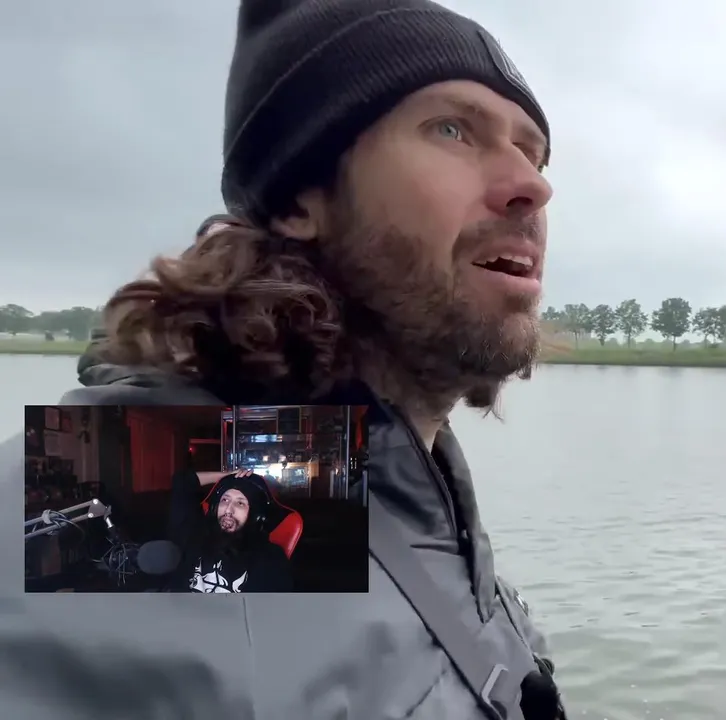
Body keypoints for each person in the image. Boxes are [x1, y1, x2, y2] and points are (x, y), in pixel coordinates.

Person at [0, 1, 565, 718]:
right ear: (302, 197)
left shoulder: (394, 488)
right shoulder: (132, 492)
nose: (533, 185)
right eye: (452, 129)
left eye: (533, 152)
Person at [165, 468, 293, 593]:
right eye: (225, 500)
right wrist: (226, 476)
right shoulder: (196, 534)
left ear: (256, 515)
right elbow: (183, 481)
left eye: (240, 503)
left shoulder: (270, 558)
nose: (228, 510)